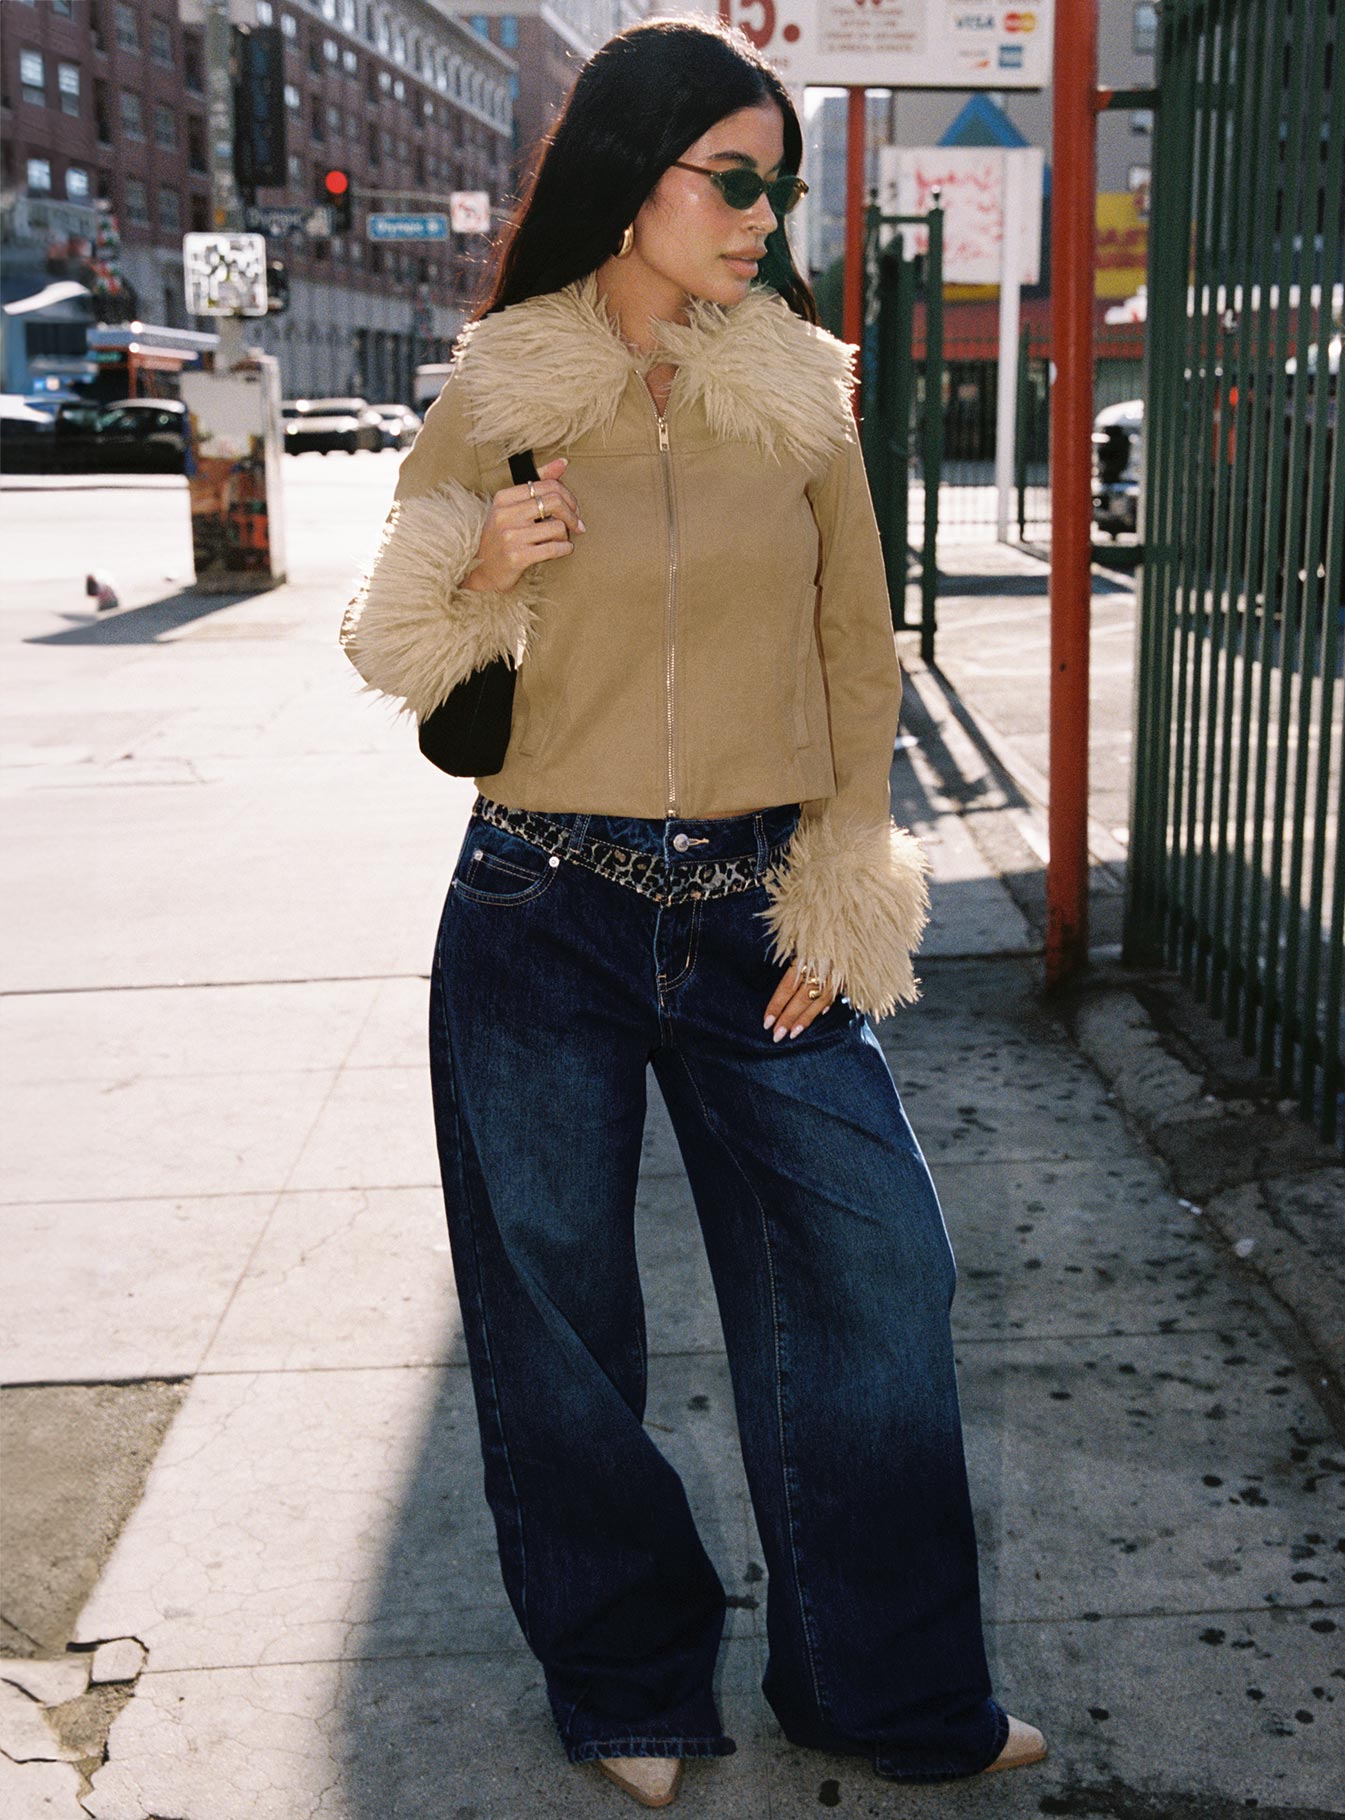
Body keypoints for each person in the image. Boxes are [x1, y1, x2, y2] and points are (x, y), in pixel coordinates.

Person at [340, 16, 1046, 1809]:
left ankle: (883, 1693)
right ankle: (630, 1684)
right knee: (558, 1320)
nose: (755, 215)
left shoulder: (800, 385)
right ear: (629, 168)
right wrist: (482, 565)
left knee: (877, 1269)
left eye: (773, 188)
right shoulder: (502, 381)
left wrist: (839, 889)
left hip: (752, 909)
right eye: (727, 178)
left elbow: (852, 652)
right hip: (537, 905)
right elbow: (400, 647)